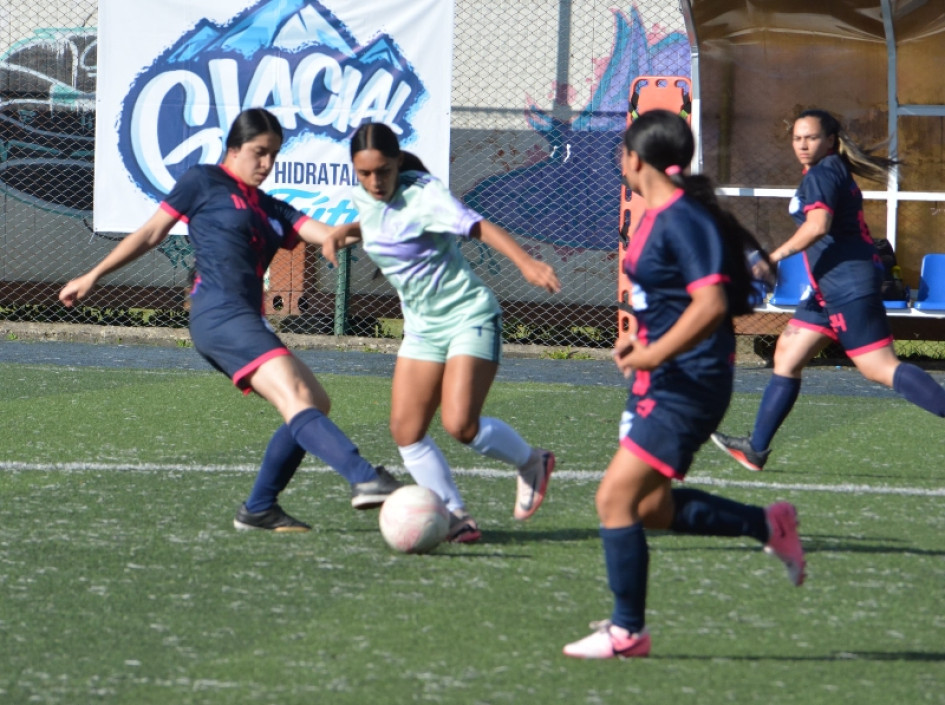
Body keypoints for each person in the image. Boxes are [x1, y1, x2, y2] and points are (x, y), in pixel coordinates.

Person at [59, 108, 400, 532]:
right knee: (297, 395)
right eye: (259, 152)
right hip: (217, 313)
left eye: (274, 154)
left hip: (246, 318)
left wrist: (383, 220)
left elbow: (328, 234)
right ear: (233, 148)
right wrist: (93, 275)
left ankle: (259, 508)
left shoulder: (272, 207)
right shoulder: (203, 181)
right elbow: (150, 233)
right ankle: (364, 477)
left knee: (314, 402)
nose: (267, 163)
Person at [561, 110, 805, 660]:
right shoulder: (656, 214)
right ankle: (767, 524)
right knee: (650, 508)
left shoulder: (681, 218)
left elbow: (711, 304)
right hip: (660, 376)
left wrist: (653, 350)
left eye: (621, 153)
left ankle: (628, 632)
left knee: (613, 499)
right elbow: (669, 298)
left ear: (633, 158)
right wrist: (640, 340)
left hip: (690, 381)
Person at [323, 122, 561, 543]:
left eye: (383, 171)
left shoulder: (425, 194)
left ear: (398, 162)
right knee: (406, 431)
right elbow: (385, 221)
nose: (375, 182)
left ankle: (532, 462)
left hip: (469, 317)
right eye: (365, 173)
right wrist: (349, 230)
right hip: (422, 331)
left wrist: (526, 263)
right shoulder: (365, 197)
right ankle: (455, 515)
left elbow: (478, 226)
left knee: (460, 424)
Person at [711, 109, 945, 472]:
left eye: (811, 137)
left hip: (848, 284)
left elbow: (818, 225)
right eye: (797, 138)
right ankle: (756, 448)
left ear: (830, 141)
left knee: (880, 368)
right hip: (827, 286)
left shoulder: (822, 174)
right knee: (787, 355)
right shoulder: (827, 170)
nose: (803, 145)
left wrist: (772, 258)